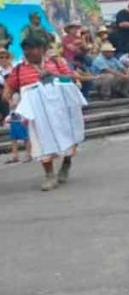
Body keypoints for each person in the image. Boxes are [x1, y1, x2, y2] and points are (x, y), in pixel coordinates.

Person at [3, 34, 82, 190]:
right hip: (37, 115)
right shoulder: (19, 69)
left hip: (59, 110)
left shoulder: (56, 62)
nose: (28, 52)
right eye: (25, 49)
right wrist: (8, 98)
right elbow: (9, 87)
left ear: (42, 49)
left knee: (67, 140)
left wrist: (55, 75)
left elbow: (71, 78)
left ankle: (66, 163)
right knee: (40, 143)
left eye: (32, 48)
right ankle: (49, 175)